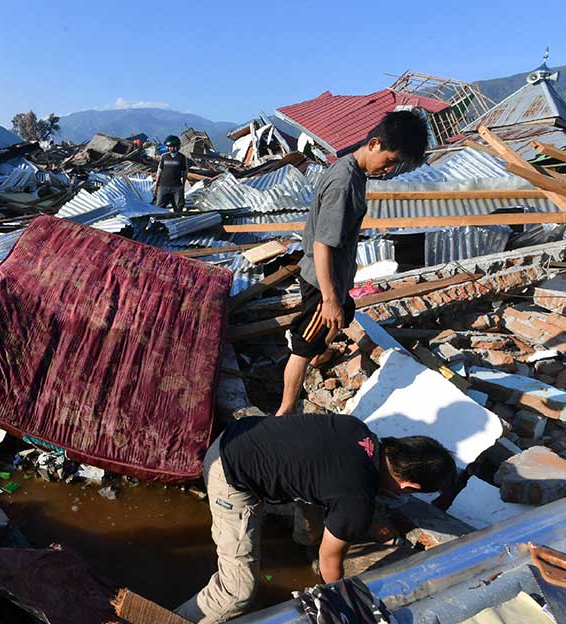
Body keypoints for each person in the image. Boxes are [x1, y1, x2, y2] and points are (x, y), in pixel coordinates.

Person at [176, 412, 455, 623]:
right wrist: (341, 603)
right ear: (410, 486)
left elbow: (315, 471)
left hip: (241, 434)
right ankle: (163, 618)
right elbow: (330, 562)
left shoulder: (356, 428)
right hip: (227, 472)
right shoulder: (356, 501)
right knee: (238, 592)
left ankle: (304, 538)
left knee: (320, 494)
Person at [276, 111, 428, 416]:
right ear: (373, 143)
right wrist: (329, 298)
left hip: (336, 277)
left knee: (342, 315)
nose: (388, 170)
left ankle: (320, 356)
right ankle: (285, 411)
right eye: (389, 161)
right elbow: (322, 245)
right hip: (323, 282)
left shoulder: (355, 172)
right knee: (304, 345)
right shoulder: (344, 182)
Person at [153, 134, 188, 211]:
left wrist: (183, 186)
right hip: (163, 186)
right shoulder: (164, 156)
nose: (170, 148)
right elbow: (159, 171)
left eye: (172, 146)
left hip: (177, 187)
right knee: (159, 207)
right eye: (168, 147)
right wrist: (156, 184)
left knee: (178, 207)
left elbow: (185, 172)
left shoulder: (182, 157)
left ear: (177, 146)